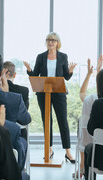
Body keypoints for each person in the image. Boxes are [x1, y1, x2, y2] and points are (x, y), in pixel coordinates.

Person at [23, 32, 77, 162]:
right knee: (46, 121)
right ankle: (49, 149)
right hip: (43, 92)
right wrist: (29, 70)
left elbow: (66, 76)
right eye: (48, 40)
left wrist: (70, 71)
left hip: (59, 92)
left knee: (62, 121)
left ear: (58, 42)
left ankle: (68, 152)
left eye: (53, 40)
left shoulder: (63, 56)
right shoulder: (41, 57)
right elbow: (36, 74)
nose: (50, 42)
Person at [76, 56, 103, 177]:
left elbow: (82, 93)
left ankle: (84, 170)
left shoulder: (91, 99)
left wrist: (89, 74)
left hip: (91, 148)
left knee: (86, 142)